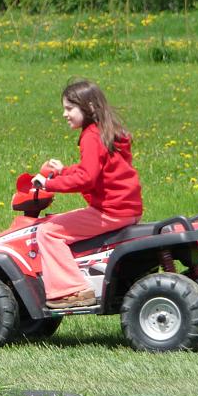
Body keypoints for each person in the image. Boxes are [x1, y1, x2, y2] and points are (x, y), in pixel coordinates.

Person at [33, 79, 143, 309]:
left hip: (109, 211)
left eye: (69, 108)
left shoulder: (91, 136)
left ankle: (73, 290)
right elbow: (94, 170)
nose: (64, 114)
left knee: (48, 231)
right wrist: (63, 172)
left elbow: (87, 178)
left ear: (90, 107)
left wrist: (47, 185)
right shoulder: (108, 132)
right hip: (128, 209)